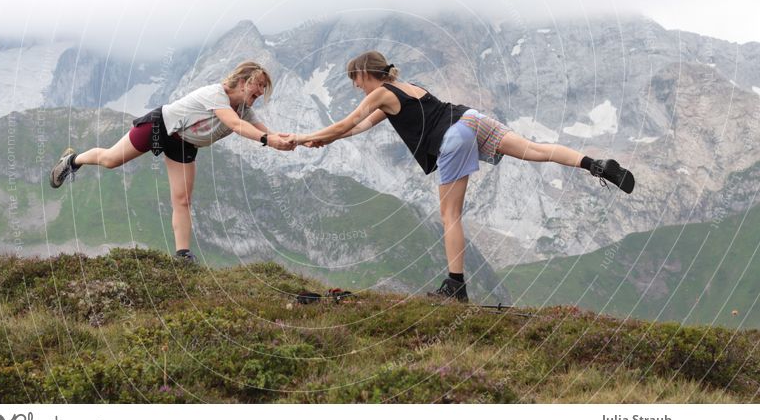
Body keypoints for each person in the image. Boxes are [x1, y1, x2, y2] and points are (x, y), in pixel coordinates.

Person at [293, 51, 635, 302]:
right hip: (471, 118)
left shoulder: (381, 93)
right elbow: (359, 129)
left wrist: (307, 136)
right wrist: (321, 140)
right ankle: (596, 165)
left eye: (356, 81)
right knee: (535, 149)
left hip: (454, 137)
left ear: (367, 74)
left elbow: (346, 123)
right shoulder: (407, 88)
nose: (357, 88)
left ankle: (455, 286)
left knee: (449, 215)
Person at [49, 61, 295, 263]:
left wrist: (299, 140)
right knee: (112, 159)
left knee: (183, 199)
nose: (261, 92)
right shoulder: (216, 94)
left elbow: (268, 132)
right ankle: (73, 160)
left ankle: (182, 255)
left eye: (264, 87)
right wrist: (268, 140)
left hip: (184, 143)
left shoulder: (244, 109)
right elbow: (235, 125)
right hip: (161, 126)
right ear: (243, 82)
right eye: (259, 85)